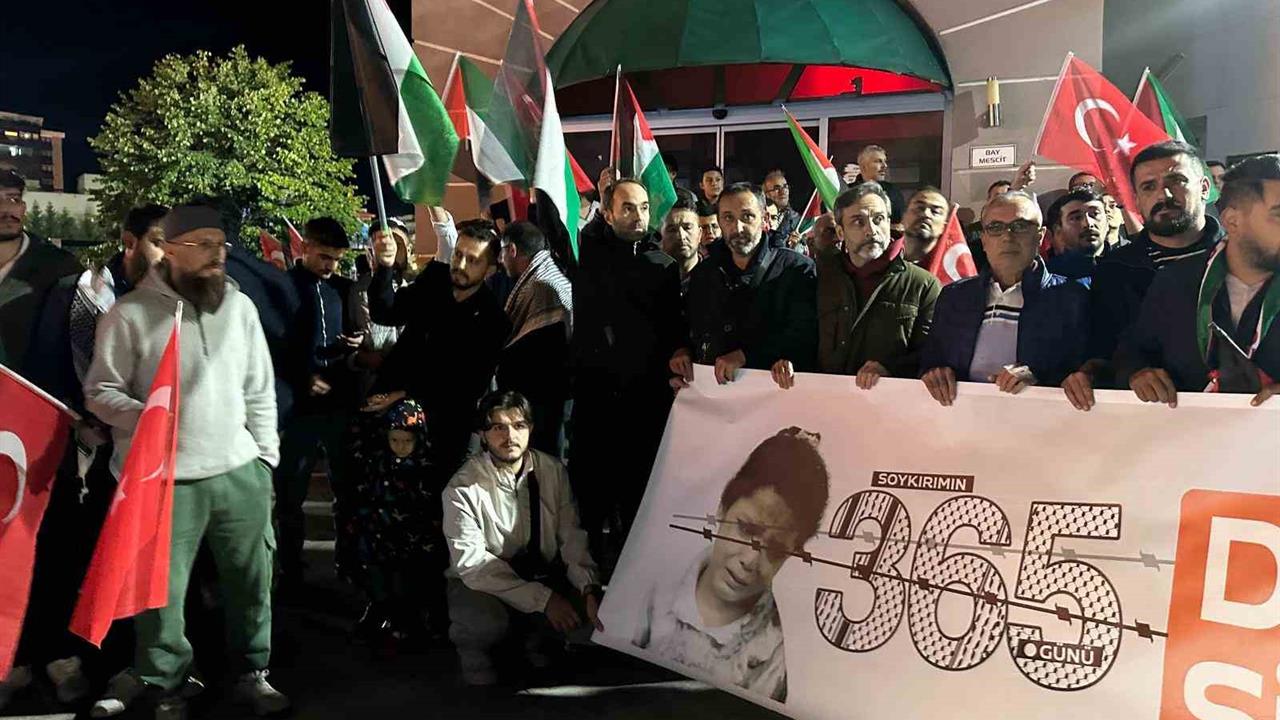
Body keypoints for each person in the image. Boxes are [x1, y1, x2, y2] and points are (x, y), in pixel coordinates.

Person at [84, 201, 288, 718]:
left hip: (238, 472)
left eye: (221, 245)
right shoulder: (129, 315)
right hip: (161, 481)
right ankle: (165, 681)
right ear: (170, 250)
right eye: (203, 246)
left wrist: (265, 459)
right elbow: (100, 391)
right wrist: (148, 416)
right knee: (160, 595)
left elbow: (259, 387)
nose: (217, 255)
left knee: (252, 582)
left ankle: (252, 671)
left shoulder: (239, 309)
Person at [633, 427, 830, 704]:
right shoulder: (654, 586)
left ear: (792, 553)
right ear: (723, 508)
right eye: (746, 529)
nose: (750, 560)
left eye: (775, 550)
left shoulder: (773, 658)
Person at [442, 391, 602, 686]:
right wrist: (544, 600)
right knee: (483, 627)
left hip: (540, 572)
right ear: (482, 434)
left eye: (518, 426)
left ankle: (535, 641)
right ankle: (479, 655)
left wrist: (588, 587)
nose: (510, 436)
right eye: (498, 427)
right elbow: (473, 566)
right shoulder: (461, 488)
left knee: (592, 615)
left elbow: (572, 535)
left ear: (531, 428)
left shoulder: (552, 471)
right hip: (484, 582)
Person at [1104, 155, 1280, 410]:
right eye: (1278, 214)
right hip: (1188, 431)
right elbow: (1133, 351)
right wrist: (1139, 373)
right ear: (1233, 221)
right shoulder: (1175, 281)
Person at [570, 178, 683, 559]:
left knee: (640, 498)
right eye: (628, 207)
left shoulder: (663, 266)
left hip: (645, 404)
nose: (638, 216)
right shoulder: (587, 258)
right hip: (597, 402)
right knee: (593, 498)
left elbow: (672, 330)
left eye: (644, 208)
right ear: (608, 213)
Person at [1065, 141, 1225, 398]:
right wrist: (1127, 372)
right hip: (1146, 414)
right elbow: (1104, 353)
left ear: (1204, 188)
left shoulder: (1243, 259)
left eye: (1176, 181)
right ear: (1137, 201)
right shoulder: (1113, 271)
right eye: (1149, 187)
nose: (1163, 196)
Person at [364, 218, 509, 479]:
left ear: (490, 270)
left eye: (473, 260)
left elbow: (467, 385)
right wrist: (384, 267)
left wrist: (404, 394)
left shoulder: (493, 321)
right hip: (389, 415)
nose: (460, 265)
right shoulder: (434, 281)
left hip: (442, 428)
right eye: (458, 255)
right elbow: (385, 312)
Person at [920, 191, 1089, 406]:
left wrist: (1037, 375)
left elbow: (1087, 370)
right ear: (983, 240)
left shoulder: (1071, 296)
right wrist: (934, 373)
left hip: (1039, 417)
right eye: (995, 227)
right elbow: (930, 361)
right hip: (960, 415)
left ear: (1040, 236)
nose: (1007, 237)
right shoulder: (954, 296)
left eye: (1020, 226)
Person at [275, 217, 363, 587]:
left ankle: (348, 564)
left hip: (340, 406)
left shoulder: (344, 288)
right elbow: (273, 345)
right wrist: (303, 377)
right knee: (290, 493)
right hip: (298, 411)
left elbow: (363, 333)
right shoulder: (283, 288)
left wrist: (357, 344)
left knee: (347, 491)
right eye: (325, 257)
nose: (330, 266)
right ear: (305, 247)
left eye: (337, 259)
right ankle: (291, 570)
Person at [671, 183, 816, 388]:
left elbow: (804, 334)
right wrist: (682, 352)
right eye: (728, 218)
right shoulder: (704, 273)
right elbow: (690, 326)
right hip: (714, 395)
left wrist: (746, 356)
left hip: (773, 394)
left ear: (764, 218)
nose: (737, 227)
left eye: (747, 216)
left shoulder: (796, 269)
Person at [803, 182, 940, 391]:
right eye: (858, 222)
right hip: (825, 400)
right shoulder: (821, 278)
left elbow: (932, 355)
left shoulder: (923, 285)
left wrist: (891, 369)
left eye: (878, 219)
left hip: (888, 402)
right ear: (840, 232)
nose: (871, 230)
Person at [338, 398, 446, 647]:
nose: (400, 446)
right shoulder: (378, 463)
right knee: (379, 580)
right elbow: (368, 494)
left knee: (410, 584)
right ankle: (380, 613)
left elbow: (430, 507)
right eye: (395, 440)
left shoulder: (426, 468)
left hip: (414, 542)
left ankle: (411, 625)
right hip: (381, 537)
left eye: (407, 440)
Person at [495, 221, 573, 457]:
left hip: (542, 403)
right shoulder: (549, 276)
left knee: (544, 465)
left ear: (512, 250)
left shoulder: (541, 287)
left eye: (501, 252)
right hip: (546, 400)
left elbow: (538, 350)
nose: (500, 260)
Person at [0, 168, 83, 376]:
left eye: (13, 199)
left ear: (23, 207)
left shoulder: (60, 268)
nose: (6, 209)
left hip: (35, 393)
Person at [1044, 187, 1109, 283]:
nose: (1088, 223)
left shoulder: (1127, 265)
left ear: (1107, 223)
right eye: (1076, 218)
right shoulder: (1047, 279)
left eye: (1095, 214)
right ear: (1058, 230)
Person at [851, 145, 905, 226]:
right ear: (863, 166)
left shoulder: (894, 192)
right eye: (878, 161)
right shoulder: (848, 191)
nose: (885, 166)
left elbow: (899, 224)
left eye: (885, 161)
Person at [660, 188, 701, 294]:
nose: (681, 236)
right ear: (660, 235)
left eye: (687, 228)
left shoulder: (717, 280)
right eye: (672, 230)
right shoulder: (648, 281)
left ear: (700, 234)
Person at [900, 186, 951, 265]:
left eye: (935, 211)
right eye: (919, 208)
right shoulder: (885, 257)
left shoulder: (949, 266)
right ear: (904, 217)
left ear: (944, 227)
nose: (926, 214)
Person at [763, 169, 800, 240]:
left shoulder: (797, 221)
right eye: (777, 188)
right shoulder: (758, 217)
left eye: (785, 186)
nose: (783, 191)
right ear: (766, 194)